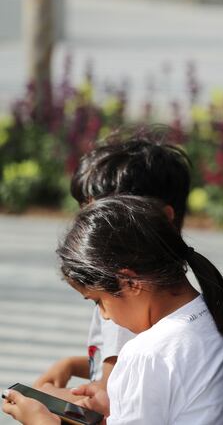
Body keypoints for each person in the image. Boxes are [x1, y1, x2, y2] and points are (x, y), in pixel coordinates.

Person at [2, 196, 223, 425]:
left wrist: (42, 421)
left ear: (130, 283)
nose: (104, 315)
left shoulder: (146, 354)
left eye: (98, 301)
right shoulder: (217, 313)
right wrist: (115, 405)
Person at [32, 135, 192, 402]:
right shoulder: (144, 294)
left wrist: (43, 400)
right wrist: (73, 364)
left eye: (107, 214)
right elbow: (113, 366)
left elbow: (107, 402)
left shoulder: (126, 301)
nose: (89, 227)